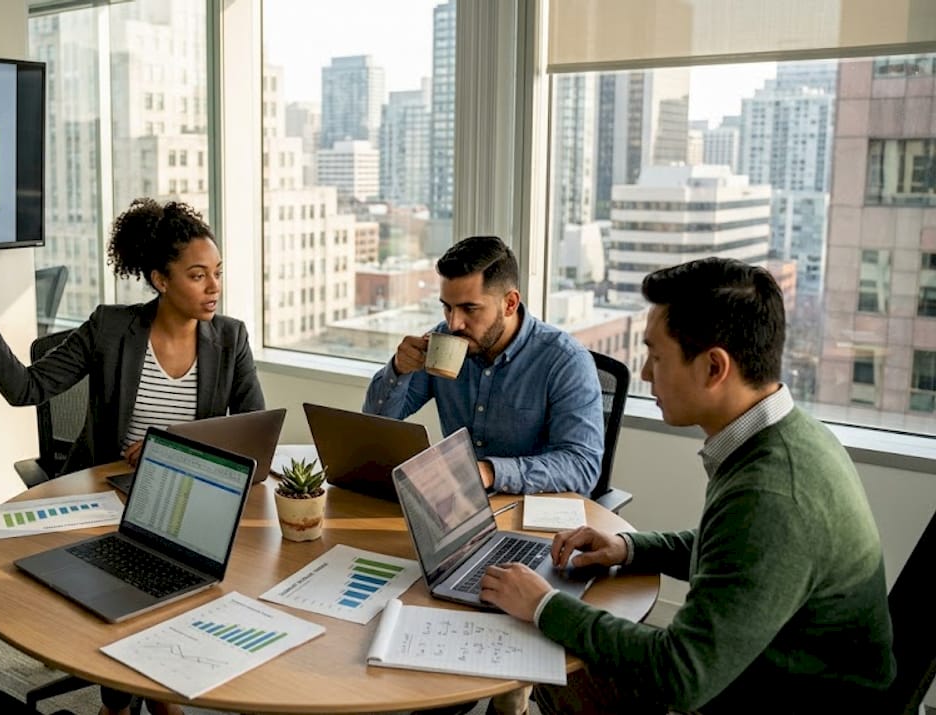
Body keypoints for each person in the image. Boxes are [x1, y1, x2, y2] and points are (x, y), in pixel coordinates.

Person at [478, 257, 895, 714]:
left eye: (657, 356)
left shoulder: (772, 495)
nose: (646, 374)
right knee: (563, 645)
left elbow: (681, 677)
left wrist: (545, 606)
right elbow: (733, 551)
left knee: (554, 646)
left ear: (714, 367)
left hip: (778, 697)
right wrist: (630, 547)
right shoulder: (791, 436)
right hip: (770, 672)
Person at [0, 197, 265, 715]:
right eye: (198, 275)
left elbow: (251, 434)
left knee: (186, 578)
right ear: (160, 279)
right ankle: (124, 701)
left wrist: (167, 450)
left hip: (185, 494)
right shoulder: (113, 329)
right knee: (133, 587)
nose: (214, 287)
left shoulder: (230, 338)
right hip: (109, 495)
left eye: (217, 273)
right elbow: (28, 387)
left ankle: (143, 697)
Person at [363, 235, 603, 497]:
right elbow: (377, 424)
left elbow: (582, 467)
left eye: (470, 309)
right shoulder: (446, 341)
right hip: (461, 507)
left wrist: (489, 472)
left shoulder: (565, 361)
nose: (454, 323)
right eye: (448, 308)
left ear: (509, 303)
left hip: (535, 512)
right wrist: (398, 370)